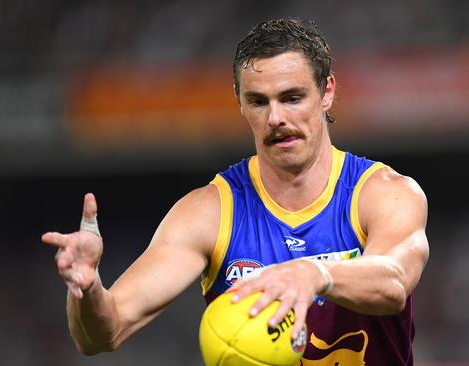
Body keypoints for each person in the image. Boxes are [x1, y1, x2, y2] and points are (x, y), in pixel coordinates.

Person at [42, 18, 429, 365]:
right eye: (258, 101)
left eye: (292, 98)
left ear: (326, 91)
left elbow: (393, 282)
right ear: (239, 101)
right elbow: (103, 333)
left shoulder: (384, 193)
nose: (276, 118)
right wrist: (88, 289)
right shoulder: (210, 212)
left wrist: (314, 274)